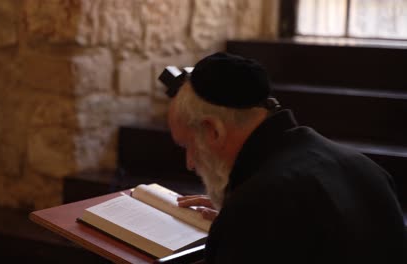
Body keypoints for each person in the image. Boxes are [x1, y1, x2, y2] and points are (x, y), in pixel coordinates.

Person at [163, 52, 407, 263]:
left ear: (213, 130)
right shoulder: (361, 166)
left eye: (188, 145)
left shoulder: (258, 207)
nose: (190, 162)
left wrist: (239, 228)